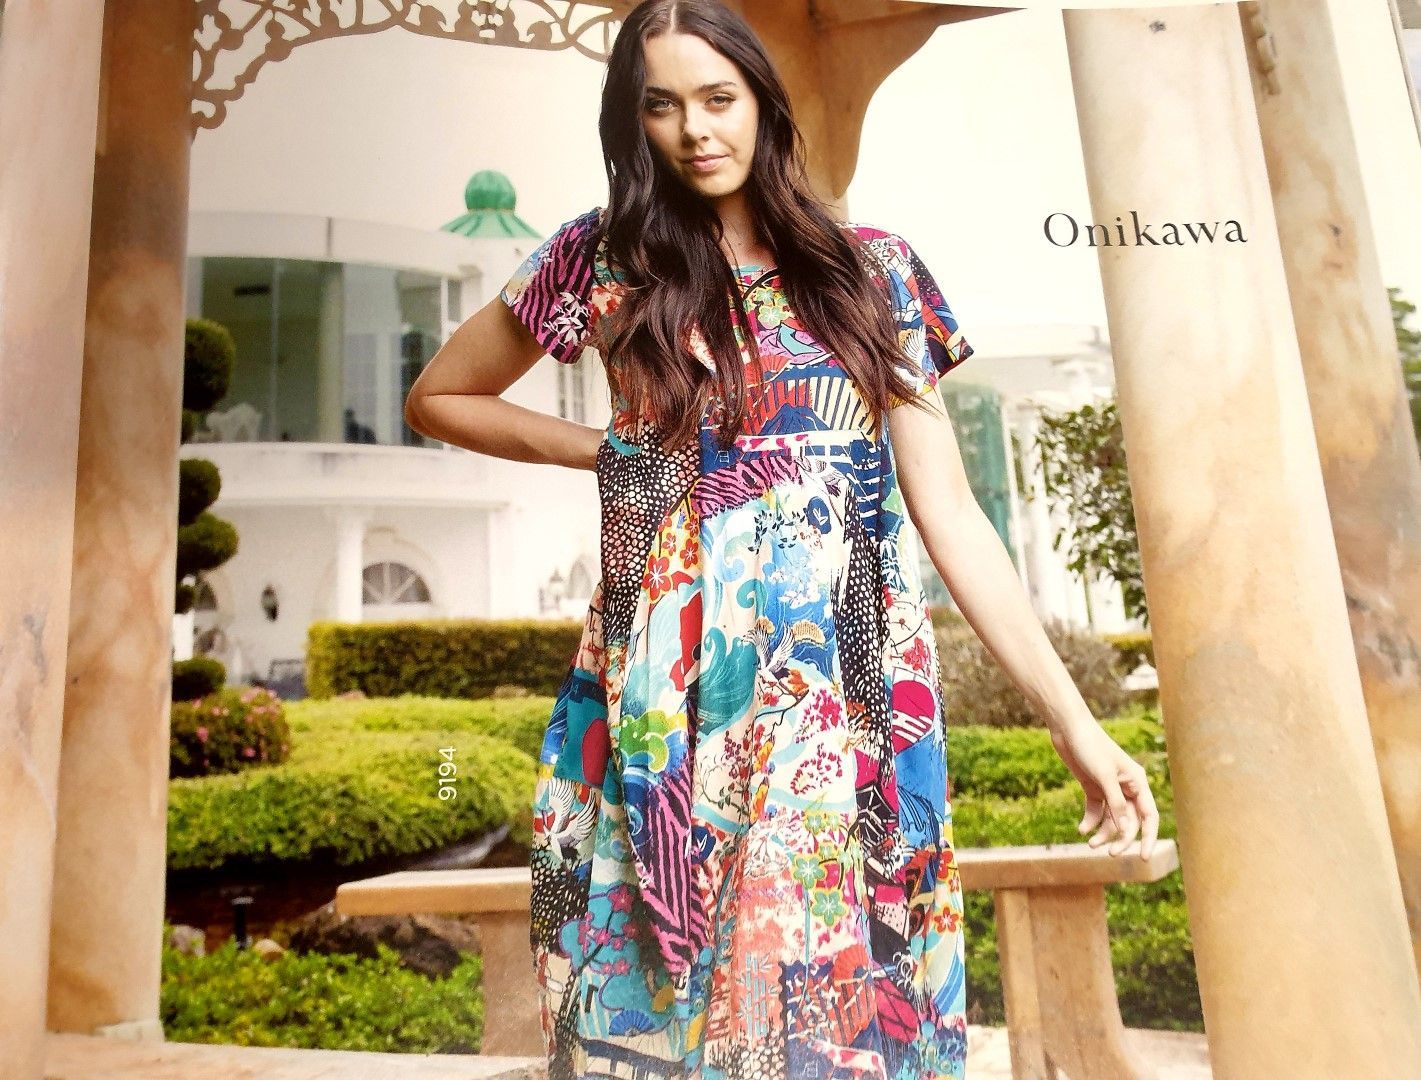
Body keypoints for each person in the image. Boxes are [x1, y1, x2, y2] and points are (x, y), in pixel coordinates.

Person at [404, 1, 1159, 1076]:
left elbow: (950, 517)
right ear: (634, 119)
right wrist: (612, 452)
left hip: (845, 688)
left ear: (762, 102)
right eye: (660, 105)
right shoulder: (600, 257)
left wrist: (1075, 724)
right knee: (660, 1011)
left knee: (838, 1014)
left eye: (717, 98)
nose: (693, 130)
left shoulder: (873, 273)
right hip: (666, 681)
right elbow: (439, 396)